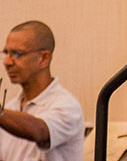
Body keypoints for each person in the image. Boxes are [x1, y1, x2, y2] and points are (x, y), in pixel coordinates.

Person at [0, 21, 84, 161]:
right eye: (6, 53)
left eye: (16, 54)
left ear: (44, 58)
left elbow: (40, 131)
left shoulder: (67, 106)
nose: (7, 62)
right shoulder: (10, 108)